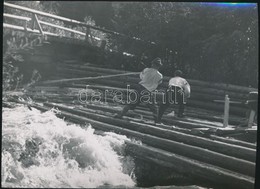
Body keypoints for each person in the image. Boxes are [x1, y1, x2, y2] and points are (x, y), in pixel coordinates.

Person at [114, 57, 163, 122]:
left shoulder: (146, 70)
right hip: (147, 92)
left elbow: (141, 77)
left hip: (140, 88)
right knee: (154, 107)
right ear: (159, 66)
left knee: (130, 103)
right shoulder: (160, 76)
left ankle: (121, 115)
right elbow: (159, 82)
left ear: (153, 64)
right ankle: (157, 121)